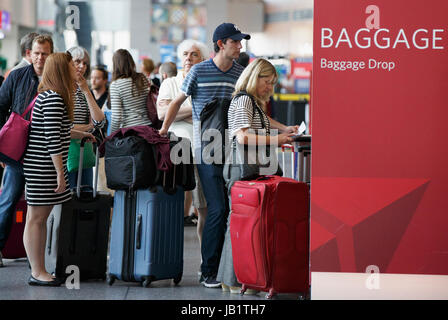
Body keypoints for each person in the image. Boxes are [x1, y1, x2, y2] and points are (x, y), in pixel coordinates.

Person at [159, 22, 250, 288]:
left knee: (231, 209)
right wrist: (164, 130)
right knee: (217, 209)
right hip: (207, 150)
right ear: (221, 43)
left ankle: (227, 268)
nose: (240, 46)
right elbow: (176, 102)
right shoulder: (198, 71)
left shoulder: (240, 73)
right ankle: (209, 270)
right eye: (236, 42)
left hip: (233, 150)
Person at [216, 58, 298, 294]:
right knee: (241, 225)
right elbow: (242, 137)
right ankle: (234, 280)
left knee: (245, 224)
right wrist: (277, 139)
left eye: (272, 84)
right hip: (241, 170)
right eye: (267, 82)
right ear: (255, 77)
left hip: (248, 170)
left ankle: (242, 278)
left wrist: (283, 128)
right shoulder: (243, 100)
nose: (269, 88)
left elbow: (261, 121)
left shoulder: (250, 101)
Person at [22, 52, 95, 286]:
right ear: (61, 70)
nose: (76, 69)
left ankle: (40, 269)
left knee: (39, 219)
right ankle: (37, 271)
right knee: (36, 218)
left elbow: (58, 130)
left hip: (41, 165)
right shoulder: (54, 98)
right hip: (43, 167)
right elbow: (53, 139)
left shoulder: (50, 96)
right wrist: (60, 173)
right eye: (71, 66)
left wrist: (81, 133)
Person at [0, 34, 54, 268]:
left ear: (51, 54)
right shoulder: (17, 76)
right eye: (37, 53)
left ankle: (43, 260)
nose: (41, 57)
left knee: (42, 208)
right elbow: (1, 106)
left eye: (45, 53)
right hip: (18, 153)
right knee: (9, 200)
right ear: (29, 54)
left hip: (45, 154)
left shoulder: (57, 78)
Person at [156, 39, 208, 248]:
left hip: (201, 153)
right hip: (175, 153)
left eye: (194, 54)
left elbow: (209, 115)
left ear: (202, 59)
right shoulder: (170, 83)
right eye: (185, 54)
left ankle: (206, 263)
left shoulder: (205, 84)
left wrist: (175, 109)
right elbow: (162, 114)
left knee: (203, 208)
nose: (188, 58)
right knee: (171, 207)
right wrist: (195, 110)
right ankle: (166, 257)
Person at [66, 46, 105, 189]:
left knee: (86, 195)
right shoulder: (61, 89)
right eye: (77, 62)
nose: (82, 66)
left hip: (85, 150)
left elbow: (99, 122)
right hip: (65, 152)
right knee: (68, 198)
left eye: (85, 63)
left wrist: (86, 90)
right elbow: (62, 128)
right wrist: (88, 127)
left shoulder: (84, 90)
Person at [110, 49, 151, 133]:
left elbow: (117, 117)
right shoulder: (143, 78)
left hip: (130, 131)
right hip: (148, 127)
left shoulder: (116, 85)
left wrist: (111, 135)